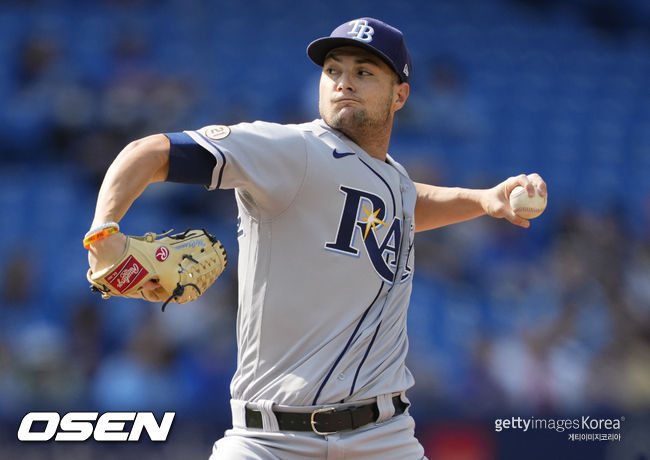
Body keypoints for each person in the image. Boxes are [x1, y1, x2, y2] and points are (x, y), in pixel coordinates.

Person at [87, 17, 546, 460]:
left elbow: (408, 203)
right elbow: (148, 151)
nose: (343, 82)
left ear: (400, 95)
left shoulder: (392, 180)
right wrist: (103, 230)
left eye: (363, 72)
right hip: (270, 439)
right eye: (333, 71)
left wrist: (485, 200)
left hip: (384, 438)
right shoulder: (292, 150)